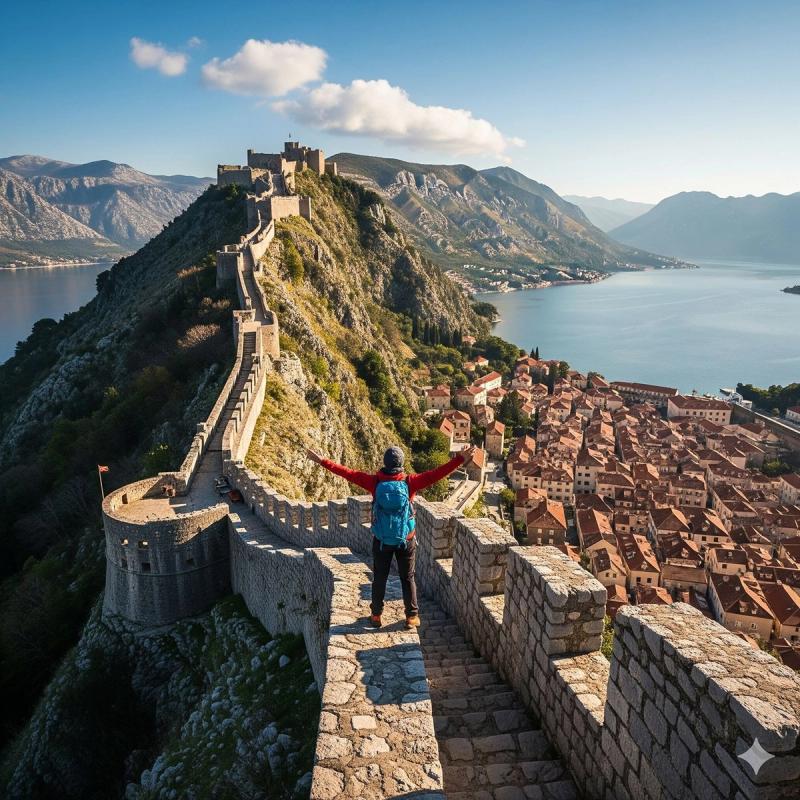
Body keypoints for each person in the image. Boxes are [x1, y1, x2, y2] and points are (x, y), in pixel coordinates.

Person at [306, 443, 477, 629]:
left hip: (381, 541)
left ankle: (376, 615)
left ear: (384, 464)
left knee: (380, 576)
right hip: (406, 539)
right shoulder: (410, 482)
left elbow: (347, 473)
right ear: (401, 465)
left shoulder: (375, 482)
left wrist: (321, 460)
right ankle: (411, 616)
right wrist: (459, 459)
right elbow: (436, 474)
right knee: (408, 577)